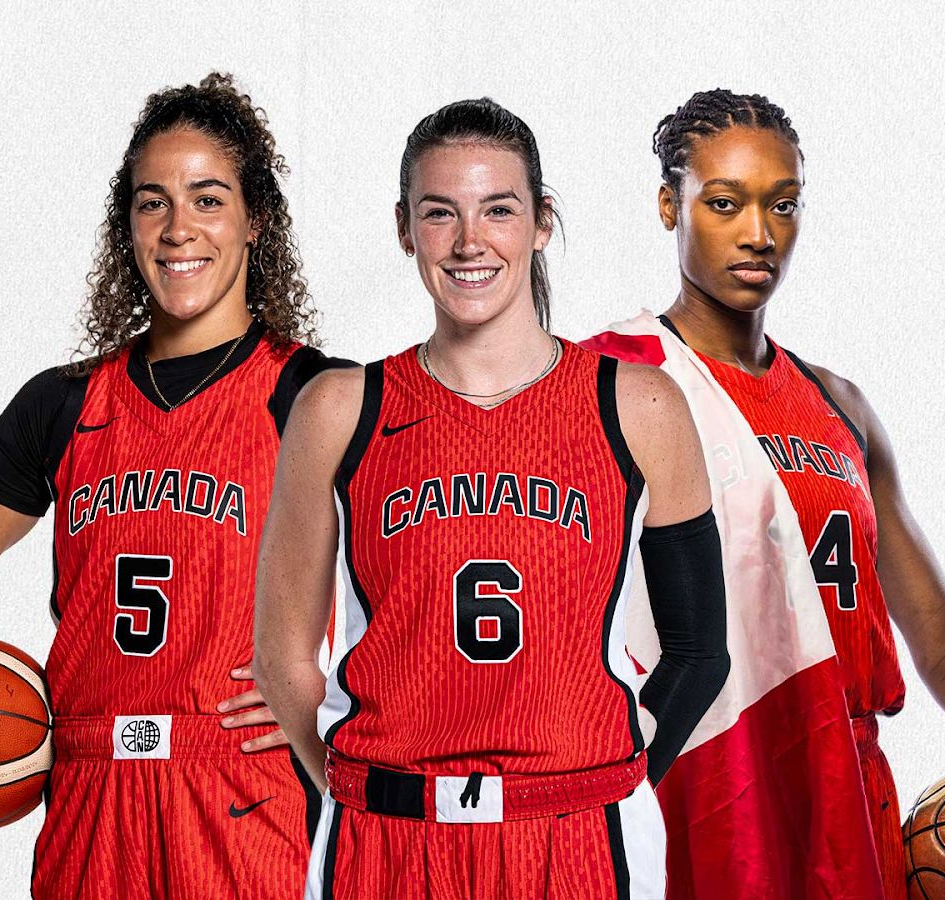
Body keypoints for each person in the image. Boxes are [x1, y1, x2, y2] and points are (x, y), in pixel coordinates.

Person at [0, 72, 350, 900]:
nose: (178, 228)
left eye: (208, 199)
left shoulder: (317, 394)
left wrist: (328, 711)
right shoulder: (63, 404)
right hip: (90, 793)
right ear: (127, 225)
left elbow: (430, 573)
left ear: (255, 218)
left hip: (246, 794)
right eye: (153, 203)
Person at [585, 89, 945, 898]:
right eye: (724, 203)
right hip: (696, 785)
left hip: (842, 795)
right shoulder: (604, 382)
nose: (759, 234)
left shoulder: (839, 408)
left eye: (783, 204)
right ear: (671, 206)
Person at [253, 98, 731, 900]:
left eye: (499, 210)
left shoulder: (637, 405)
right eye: (440, 213)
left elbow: (699, 652)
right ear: (405, 228)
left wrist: (604, 783)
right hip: (387, 833)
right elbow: (281, 657)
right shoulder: (340, 408)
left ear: (542, 222)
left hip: (578, 836)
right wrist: (359, 787)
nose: (470, 242)